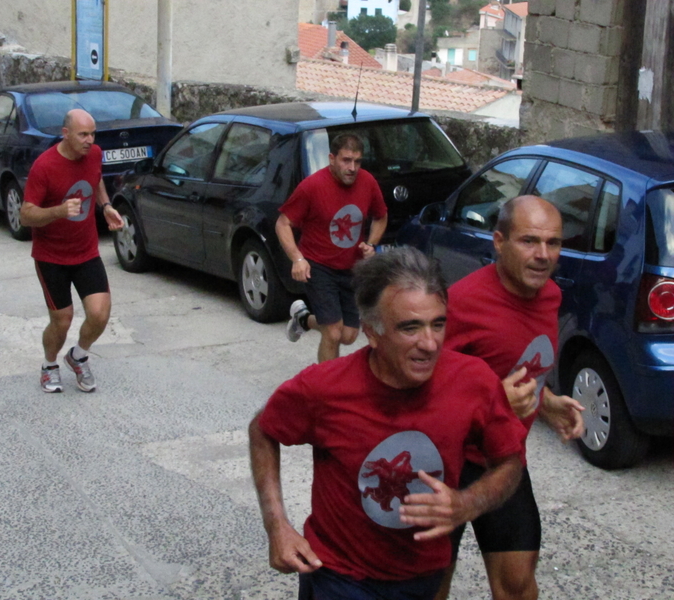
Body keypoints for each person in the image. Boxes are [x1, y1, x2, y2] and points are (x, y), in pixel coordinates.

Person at [249, 247, 527, 600]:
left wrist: (468, 503)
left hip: (423, 577)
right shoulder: (324, 388)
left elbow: (509, 461)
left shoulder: (473, 381)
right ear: (372, 333)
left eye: (438, 324)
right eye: (410, 327)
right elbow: (263, 429)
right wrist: (277, 527)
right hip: (339, 576)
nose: (429, 344)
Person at [437, 196, 585, 600]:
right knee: (427, 589)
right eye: (529, 241)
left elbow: (515, 364)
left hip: (502, 460)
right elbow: (414, 389)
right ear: (499, 241)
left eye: (553, 243)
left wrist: (546, 400)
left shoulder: (550, 295)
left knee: (518, 587)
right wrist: (488, 400)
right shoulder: (462, 304)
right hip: (444, 465)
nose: (543, 255)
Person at [19, 108, 124, 394]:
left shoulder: (94, 154)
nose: (89, 140)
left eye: (92, 134)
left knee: (100, 314)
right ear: (65, 134)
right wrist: (60, 211)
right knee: (62, 320)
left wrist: (106, 207)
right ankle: (49, 365)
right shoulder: (45, 166)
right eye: (83, 134)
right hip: (51, 256)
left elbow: (96, 178)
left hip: (85, 250)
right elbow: (26, 215)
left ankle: (78, 356)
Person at [275, 133, 388, 363]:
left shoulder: (368, 183)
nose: (352, 167)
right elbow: (282, 223)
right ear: (331, 159)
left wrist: (371, 244)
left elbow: (381, 217)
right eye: (346, 160)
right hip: (319, 265)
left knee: (348, 335)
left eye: (357, 161)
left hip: (352, 268)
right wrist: (297, 259)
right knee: (333, 332)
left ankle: (303, 319)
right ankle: (327, 388)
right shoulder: (312, 186)